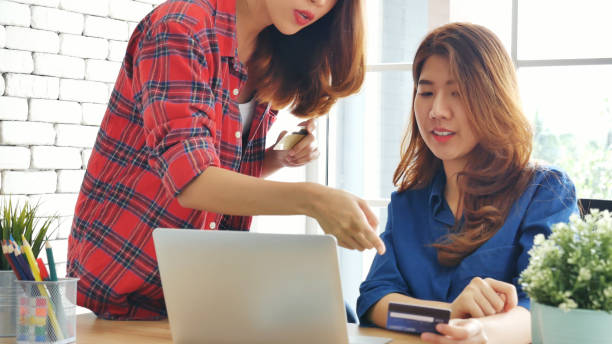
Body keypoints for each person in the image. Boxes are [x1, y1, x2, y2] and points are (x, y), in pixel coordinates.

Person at [67, 0, 385, 320]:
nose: (320, 2)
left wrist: (276, 158)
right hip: (131, 287)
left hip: (200, 290)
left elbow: (221, 166)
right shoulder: (180, 28)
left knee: (335, 316)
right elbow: (192, 180)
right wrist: (315, 200)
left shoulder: (269, 49)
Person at [356, 23, 578, 343]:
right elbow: (376, 299)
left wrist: (480, 332)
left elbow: (545, 307)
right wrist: (445, 317)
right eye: (426, 91)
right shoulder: (409, 202)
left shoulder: (545, 192)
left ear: (492, 99)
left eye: (457, 93)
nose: (437, 110)